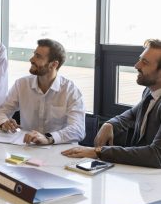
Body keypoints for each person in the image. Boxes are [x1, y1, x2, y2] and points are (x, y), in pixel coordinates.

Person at [62, 39, 161, 168]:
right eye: (140, 59)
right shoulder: (149, 91)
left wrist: (98, 152)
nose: (137, 66)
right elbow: (132, 114)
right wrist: (109, 124)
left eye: (145, 62)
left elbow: (156, 155)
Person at [0, 38, 86, 145]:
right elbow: (0, 112)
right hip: (27, 148)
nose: (31, 59)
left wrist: (49, 138)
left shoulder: (70, 91)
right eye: (34, 54)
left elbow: (78, 130)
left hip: (58, 150)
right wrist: (4, 123)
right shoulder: (21, 84)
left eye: (38, 56)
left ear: (54, 64)